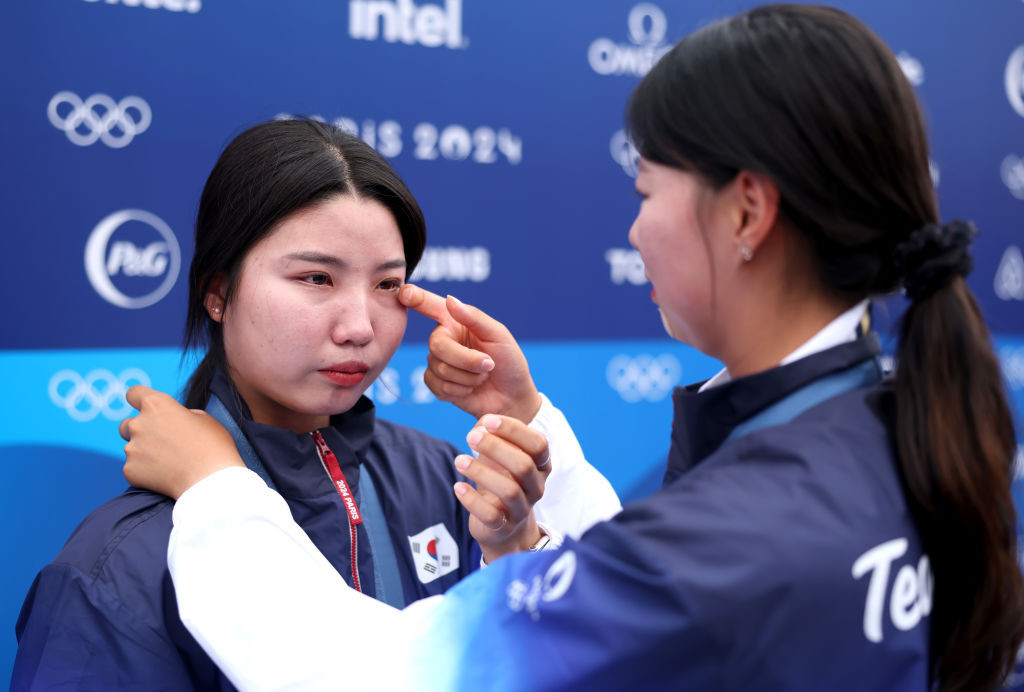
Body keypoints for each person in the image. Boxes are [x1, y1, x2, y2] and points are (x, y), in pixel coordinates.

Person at [119, 5, 1024, 691]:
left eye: (646, 191)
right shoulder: (899, 417)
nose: (634, 234)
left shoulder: (744, 529)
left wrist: (217, 487)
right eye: (315, 277)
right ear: (217, 287)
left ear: (746, 211)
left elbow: (386, 676)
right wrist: (523, 420)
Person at [11, 119, 620, 689]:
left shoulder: (453, 485)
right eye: (316, 279)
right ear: (217, 291)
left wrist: (519, 504)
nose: (359, 326)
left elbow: (592, 643)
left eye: (387, 284)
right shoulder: (119, 559)